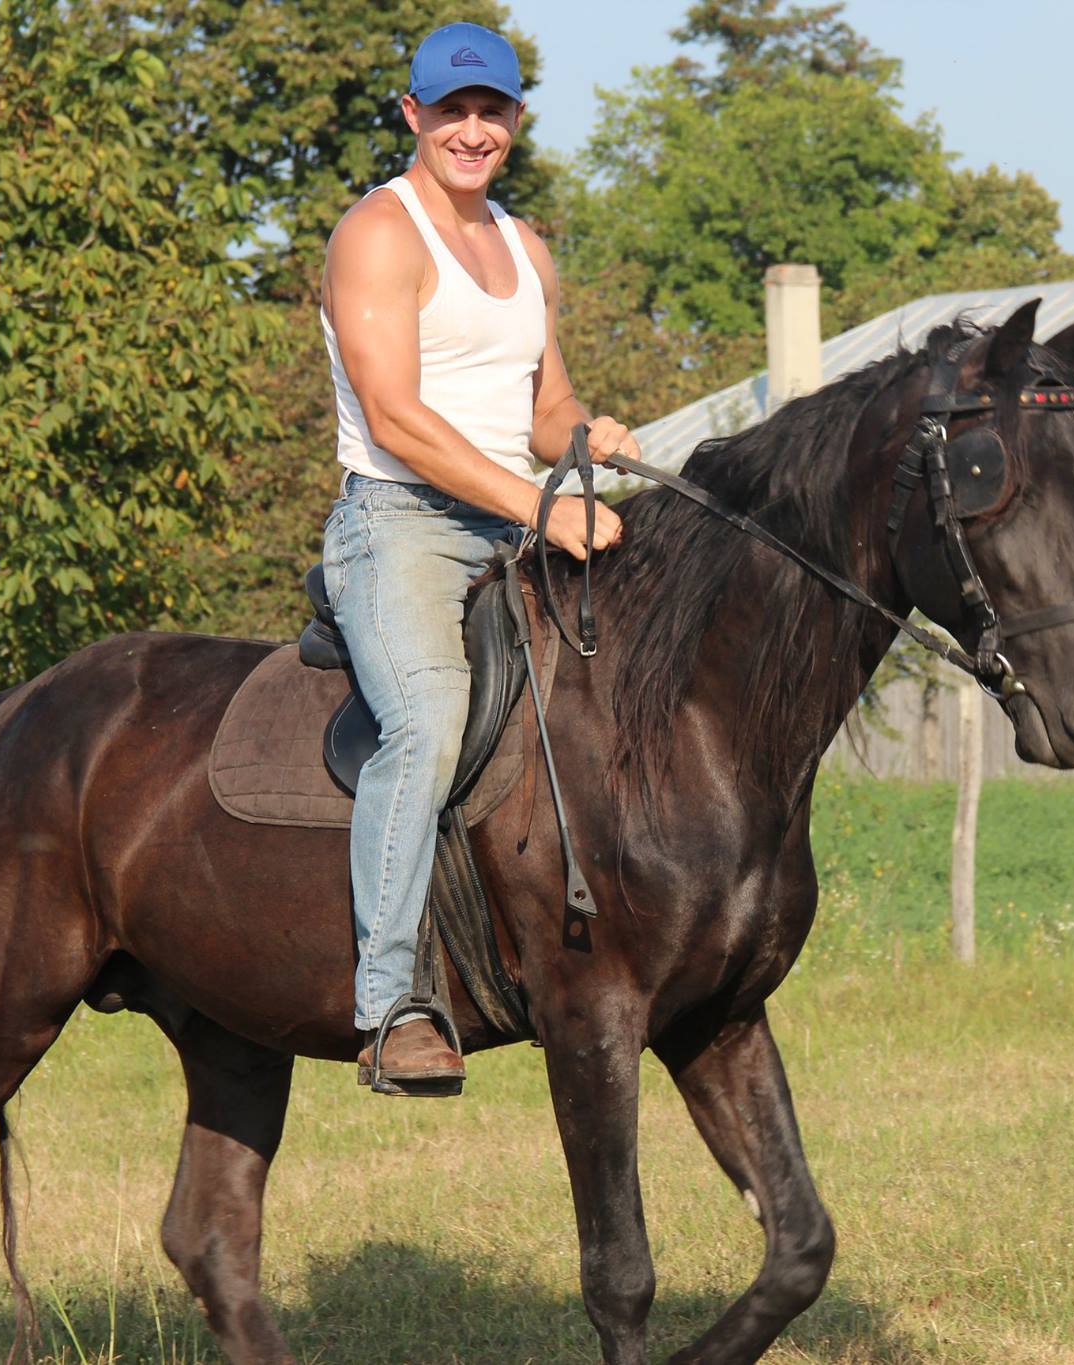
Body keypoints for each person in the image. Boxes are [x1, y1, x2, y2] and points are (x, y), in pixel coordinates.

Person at [320, 22, 636, 1091]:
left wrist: (589, 441)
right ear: (412, 117)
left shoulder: (525, 248)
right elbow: (397, 419)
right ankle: (392, 1004)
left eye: (489, 110)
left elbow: (542, 412)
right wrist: (538, 510)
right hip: (400, 524)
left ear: (513, 120)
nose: (470, 129)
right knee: (427, 719)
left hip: (510, 525)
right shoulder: (378, 234)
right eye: (448, 111)